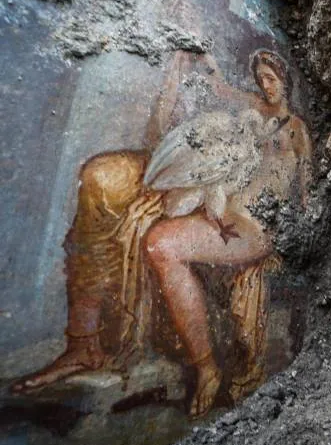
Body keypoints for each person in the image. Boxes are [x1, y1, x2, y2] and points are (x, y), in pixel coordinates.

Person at [12, 49, 311, 419]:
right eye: (261, 78)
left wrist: (291, 243)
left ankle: (207, 370)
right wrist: (186, 65)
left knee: (164, 238)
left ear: (286, 81)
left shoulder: (297, 129)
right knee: (157, 238)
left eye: (272, 78)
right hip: (219, 212)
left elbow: (306, 195)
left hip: (255, 226)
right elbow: (220, 88)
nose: (266, 86)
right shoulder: (250, 109)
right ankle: (196, 364)